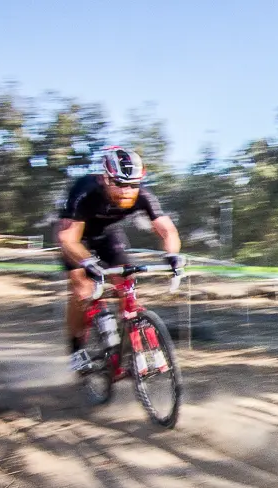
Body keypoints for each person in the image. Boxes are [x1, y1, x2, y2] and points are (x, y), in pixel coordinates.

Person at [56, 146, 184, 370]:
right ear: (106, 178)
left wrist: (173, 255)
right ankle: (76, 349)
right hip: (76, 237)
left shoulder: (142, 195)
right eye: (121, 184)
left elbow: (167, 230)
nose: (127, 191)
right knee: (82, 290)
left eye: (133, 185)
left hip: (107, 235)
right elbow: (68, 238)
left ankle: (130, 345)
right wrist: (87, 262)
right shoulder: (85, 190)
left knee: (126, 284)